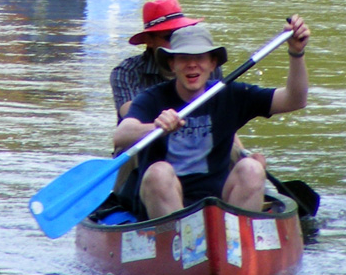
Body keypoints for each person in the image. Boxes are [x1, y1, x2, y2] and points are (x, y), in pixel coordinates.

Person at [112, 16, 310, 220]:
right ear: (172, 64)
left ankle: (236, 234)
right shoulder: (152, 98)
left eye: (199, 58)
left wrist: (296, 53)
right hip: (165, 200)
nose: (192, 65)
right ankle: (176, 235)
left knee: (252, 168)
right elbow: (121, 136)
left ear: (212, 63)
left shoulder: (230, 94)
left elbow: (294, 100)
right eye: (183, 58)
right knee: (158, 172)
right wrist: (155, 127)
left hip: (218, 200)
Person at [110, 0, 216, 122]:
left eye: (182, 34)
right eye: (170, 37)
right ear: (149, 41)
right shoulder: (127, 72)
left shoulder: (207, 66)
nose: (179, 42)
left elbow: (221, 112)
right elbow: (132, 116)